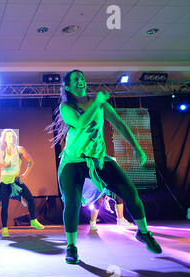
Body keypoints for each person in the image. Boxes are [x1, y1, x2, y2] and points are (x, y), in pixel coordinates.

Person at [47, 69, 161, 264]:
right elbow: (81, 123)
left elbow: (120, 124)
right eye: (76, 80)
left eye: (82, 78)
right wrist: (98, 102)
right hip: (74, 161)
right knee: (72, 203)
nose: (81, 81)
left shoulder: (99, 104)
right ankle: (71, 246)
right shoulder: (67, 107)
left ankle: (143, 233)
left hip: (98, 158)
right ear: (68, 86)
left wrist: (137, 148)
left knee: (131, 192)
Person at [0, 129, 44, 238]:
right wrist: (12, 159)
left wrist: (25, 175)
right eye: (8, 137)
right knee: (5, 206)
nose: (11, 138)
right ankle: (4, 228)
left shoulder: (20, 149)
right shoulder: (0, 151)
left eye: (12, 136)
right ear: (4, 139)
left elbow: (31, 162)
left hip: (17, 181)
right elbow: (2, 165)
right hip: (5, 183)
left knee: (30, 199)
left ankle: (33, 221)